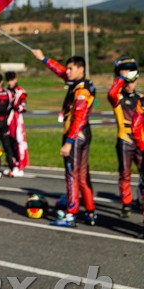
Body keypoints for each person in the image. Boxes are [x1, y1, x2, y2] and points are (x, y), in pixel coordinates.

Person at [32, 49, 96, 227]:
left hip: (76, 135)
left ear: (81, 69)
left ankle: (71, 214)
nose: (66, 71)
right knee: (83, 177)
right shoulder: (79, 84)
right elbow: (60, 71)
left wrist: (68, 142)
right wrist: (44, 58)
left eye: (70, 68)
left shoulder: (81, 91)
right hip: (84, 134)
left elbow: (79, 117)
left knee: (72, 176)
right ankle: (90, 212)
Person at [107, 56, 143, 218]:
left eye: (132, 81)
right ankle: (126, 203)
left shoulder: (141, 98)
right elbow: (112, 92)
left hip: (140, 142)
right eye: (127, 82)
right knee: (125, 173)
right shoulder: (117, 97)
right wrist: (121, 76)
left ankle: (140, 200)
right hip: (125, 140)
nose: (130, 85)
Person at [6, 71, 29, 175]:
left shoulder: (21, 92)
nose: (10, 82)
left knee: (19, 141)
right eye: (8, 80)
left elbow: (23, 107)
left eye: (11, 80)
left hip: (16, 118)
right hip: (8, 118)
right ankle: (13, 164)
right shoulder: (6, 91)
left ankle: (21, 165)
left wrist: (14, 105)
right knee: (9, 142)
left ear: (15, 79)